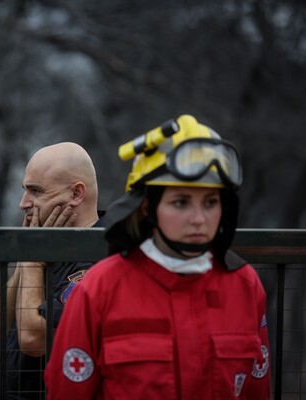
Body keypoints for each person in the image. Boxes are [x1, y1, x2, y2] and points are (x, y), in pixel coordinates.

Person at [45, 115, 271, 399]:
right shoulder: (100, 288)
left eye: (211, 202)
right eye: (180, 202)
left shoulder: (245, 285)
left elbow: (257, 391)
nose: (199, 219)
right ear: (145, 208)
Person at [0, 142, 103, 399]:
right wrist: (26, 257)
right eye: (24, 190)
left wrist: (32, 260)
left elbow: (33, 340)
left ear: (76, 194)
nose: (23, 203)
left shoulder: (101, 259)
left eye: (35, 191)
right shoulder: (42, 247)